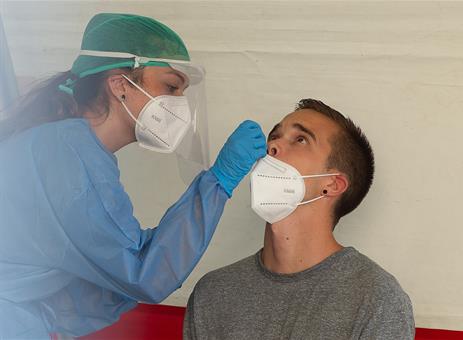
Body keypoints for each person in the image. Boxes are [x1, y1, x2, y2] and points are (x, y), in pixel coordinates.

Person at [0, 13, 266, 339]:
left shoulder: (67, 147)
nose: (179, 105)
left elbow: (105, 279)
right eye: (170, 86)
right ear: (120, 85)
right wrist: (220, 181)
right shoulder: (72, 158)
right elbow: (144, 273)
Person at [183, 99, 415, 340]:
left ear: (332, 184)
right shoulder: (213, 293)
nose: (272, 145)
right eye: (274, 136)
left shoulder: (376, 300)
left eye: (300, 139)